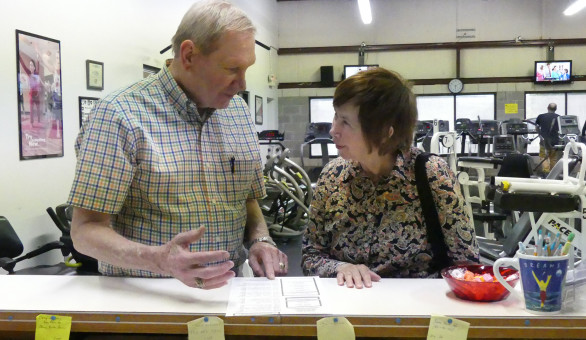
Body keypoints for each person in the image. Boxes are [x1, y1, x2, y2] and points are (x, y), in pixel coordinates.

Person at [68, 0, 288, 289]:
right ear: (189, 55)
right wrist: (159, 259)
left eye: (247, 68)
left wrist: (260, 239)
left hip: (228, 293)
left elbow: (246, 199)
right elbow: (85, 231)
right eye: (232, 68)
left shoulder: (237, 112)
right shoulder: (119, 114)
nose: (242, 84)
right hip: (147, 299)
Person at [301, 68, 479, 289]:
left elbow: (467, 267)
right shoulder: (331, 176)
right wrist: (340, 268)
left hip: (417, 312)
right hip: (349, 309)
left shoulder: (431, 175)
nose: (333, 130)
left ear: (386, 131)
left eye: (345, 122)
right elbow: (310, 256)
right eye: (336, 115)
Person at [535, 103, 561, 175]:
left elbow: (536, 127)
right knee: (553, 158)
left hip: (544, 141)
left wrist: (540, 134)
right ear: (555, 109)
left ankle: (546, 172)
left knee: (543, 157)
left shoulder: (541, 116)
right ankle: (553, 174)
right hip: (555, 141)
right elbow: (561, 130)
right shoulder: (559, 117)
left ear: (547, 108)